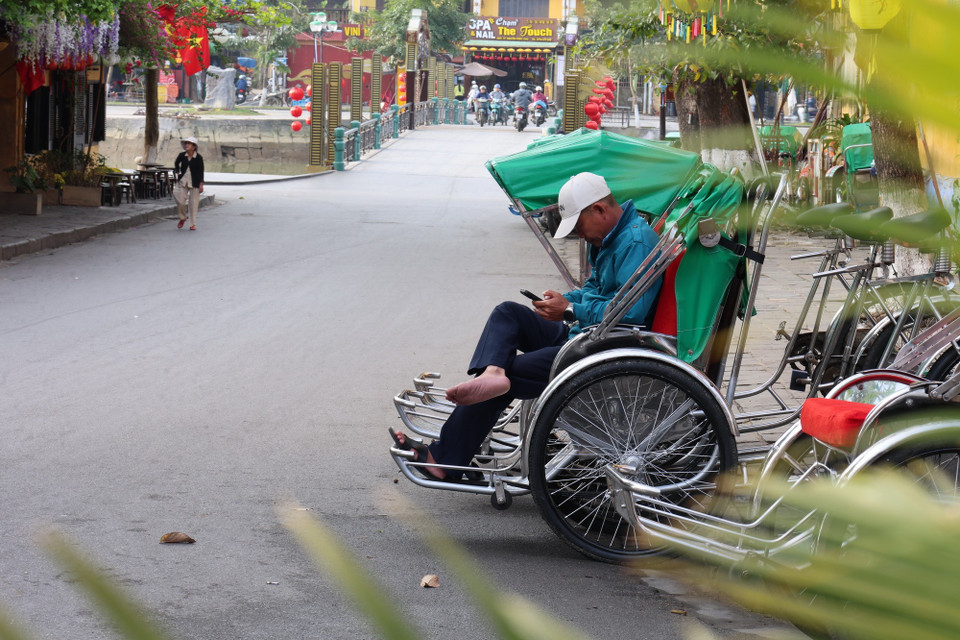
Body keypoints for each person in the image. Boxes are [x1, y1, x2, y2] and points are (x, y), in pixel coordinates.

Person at [389, 173, 663, 480]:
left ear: (599, 209)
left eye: (580, 226)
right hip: (587, 331)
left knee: (515, 371)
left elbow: (631, 312)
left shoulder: (634, 242)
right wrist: (565, 300)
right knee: (508, 313)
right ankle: (493, 374)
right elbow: (595, 289)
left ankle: (445, 457)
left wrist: (571, 309)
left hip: (603, 344)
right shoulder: (610, 237)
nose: (581, 236)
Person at [173, 137, 205, 231]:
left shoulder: (198, 157)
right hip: (183, 181)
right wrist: (177, 170)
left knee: (193, 204)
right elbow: (176, 163)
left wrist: (201, 184)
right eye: (186, 143)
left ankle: (192, 224)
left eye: (189, 143)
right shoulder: (182, 155)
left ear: (194, 147)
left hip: (195, 182)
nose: (186, 145)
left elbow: (201, 171)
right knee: (179, 198)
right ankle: (183, 218)